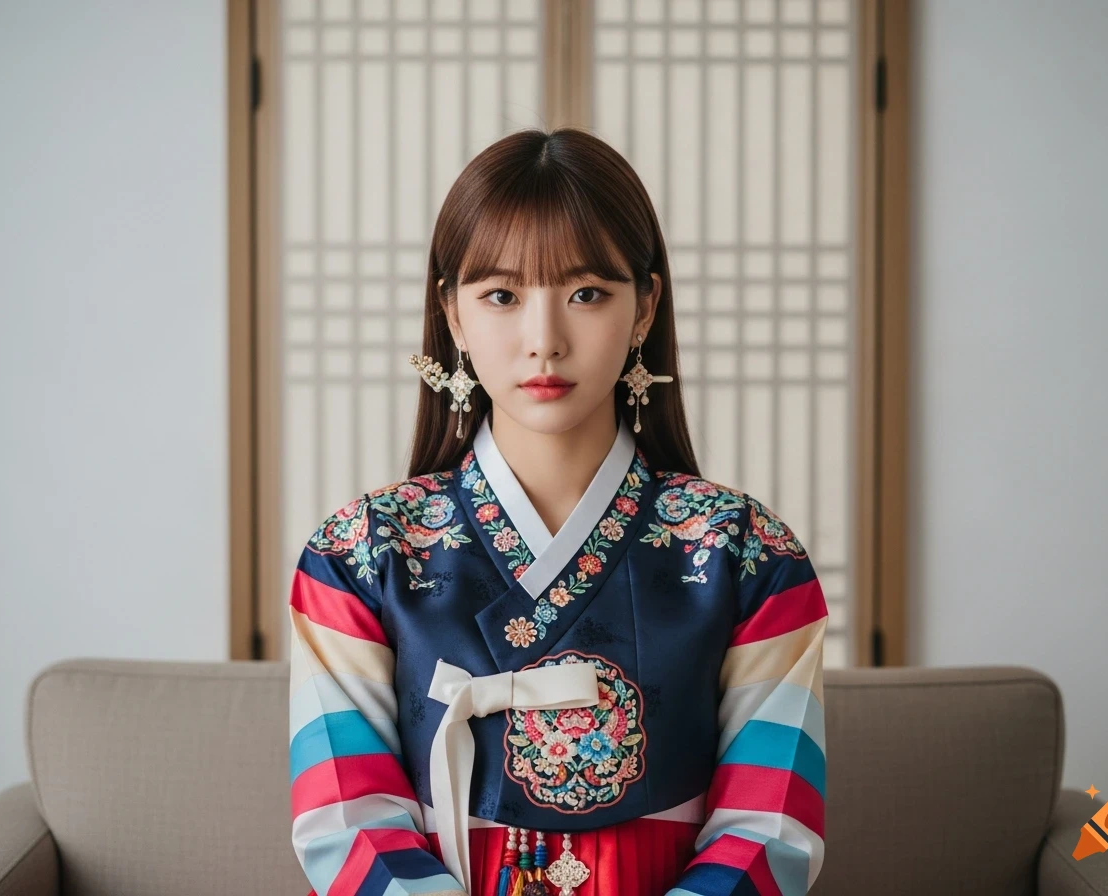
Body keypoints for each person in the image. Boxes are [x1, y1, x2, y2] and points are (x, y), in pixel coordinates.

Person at [288, 128, 827, 896]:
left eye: (587, 294)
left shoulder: (748, 556)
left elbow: (768, 831)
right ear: (452, 313)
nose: (544, 342)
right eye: (502, 296)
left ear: (645, 308)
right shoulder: (358, 556)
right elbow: (348, 827)